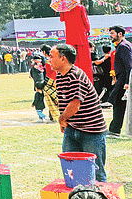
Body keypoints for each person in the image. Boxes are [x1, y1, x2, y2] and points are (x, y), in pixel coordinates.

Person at [50, 43, 107, 181]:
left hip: (91, 131)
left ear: (63, 58)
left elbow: (75, 105)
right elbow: (65, 102)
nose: (49, 60)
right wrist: (64, 122)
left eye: (52, 56)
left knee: (96, 173)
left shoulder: (76, 76)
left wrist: (61, 119)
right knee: (72, 171)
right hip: (72, 129)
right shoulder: (60, 76)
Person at [60, 0, 93, 82]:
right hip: (81, 35)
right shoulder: (80, 7)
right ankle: (86, 79)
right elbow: (85, 20)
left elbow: (62, 19)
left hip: (70, 36)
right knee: (84, 60)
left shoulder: (65, 9)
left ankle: (72, 78)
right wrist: (88, 29)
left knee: (71, 59)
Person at [107, 26, 130, 138]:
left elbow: (129, 66)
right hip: (121, 79)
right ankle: (114, 129)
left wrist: (127, 82)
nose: (110, 35)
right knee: (118, 103)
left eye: (112, 33)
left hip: (124, 81)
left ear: (119, 34)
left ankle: (115, 130)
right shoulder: (122, 46)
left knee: (118, 103)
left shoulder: (123, 46)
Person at [41, 44, 60, 122]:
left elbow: (51, 72)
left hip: (51, 80)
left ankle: (54, 115)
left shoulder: (48, 60)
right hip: (55, 79)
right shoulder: (53, 59)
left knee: (51, 98)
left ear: (44, 52)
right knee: (52, 98)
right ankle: (52, 115)